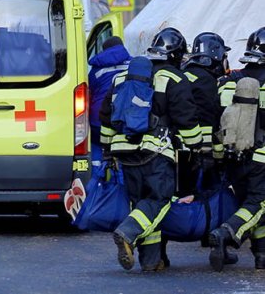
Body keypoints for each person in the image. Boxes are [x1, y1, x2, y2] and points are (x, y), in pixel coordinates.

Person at [100, 27, 202, 272]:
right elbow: (186, 120)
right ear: (176, 55)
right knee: (159, 199)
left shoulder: (121, 77)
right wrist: (198, 145)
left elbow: (106, 117)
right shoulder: (174, 78)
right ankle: (128, 233)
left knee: (141, 203)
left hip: (124, 151)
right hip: (155, 153)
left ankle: (151, 261)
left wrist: (108, 150)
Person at [208, 26, 265, 271]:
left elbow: (218, 118)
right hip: (261, 158)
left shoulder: (230, 80)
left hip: (234, 156)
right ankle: (225, 234)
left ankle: (262, 256)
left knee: (250, 204)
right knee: (259, 203)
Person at [179, 33, 231, 199]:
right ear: (215, 55)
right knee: (198, 194)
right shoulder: (206, 80)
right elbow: (208, 119)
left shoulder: (184, 73)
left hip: (176, 146)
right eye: (224, 56)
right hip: (196, 149)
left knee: (180, 191)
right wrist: (210, 154)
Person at [88, 36, 131, 173]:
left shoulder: (96, 69)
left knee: (96, 145)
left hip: (100, 118)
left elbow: (90, 92)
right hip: (127, 117)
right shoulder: (134, 64)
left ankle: (97, 179)